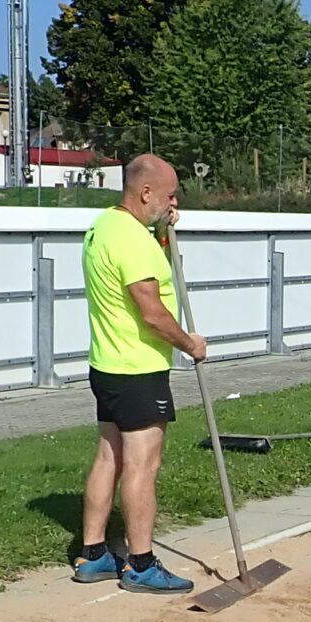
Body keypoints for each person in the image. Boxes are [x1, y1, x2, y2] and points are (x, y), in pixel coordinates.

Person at [73, 154, 211, 594]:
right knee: (143, 464)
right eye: (169, 195)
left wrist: (162, 233)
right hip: (138, 369)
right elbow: (151, 311)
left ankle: (93, 554)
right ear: (145, 191)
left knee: (109, 457)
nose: (173, 203)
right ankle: (141, 564)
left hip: (107, 364)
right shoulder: (132, 239)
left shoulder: (104, 226)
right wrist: (190, 344)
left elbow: (146, 266)